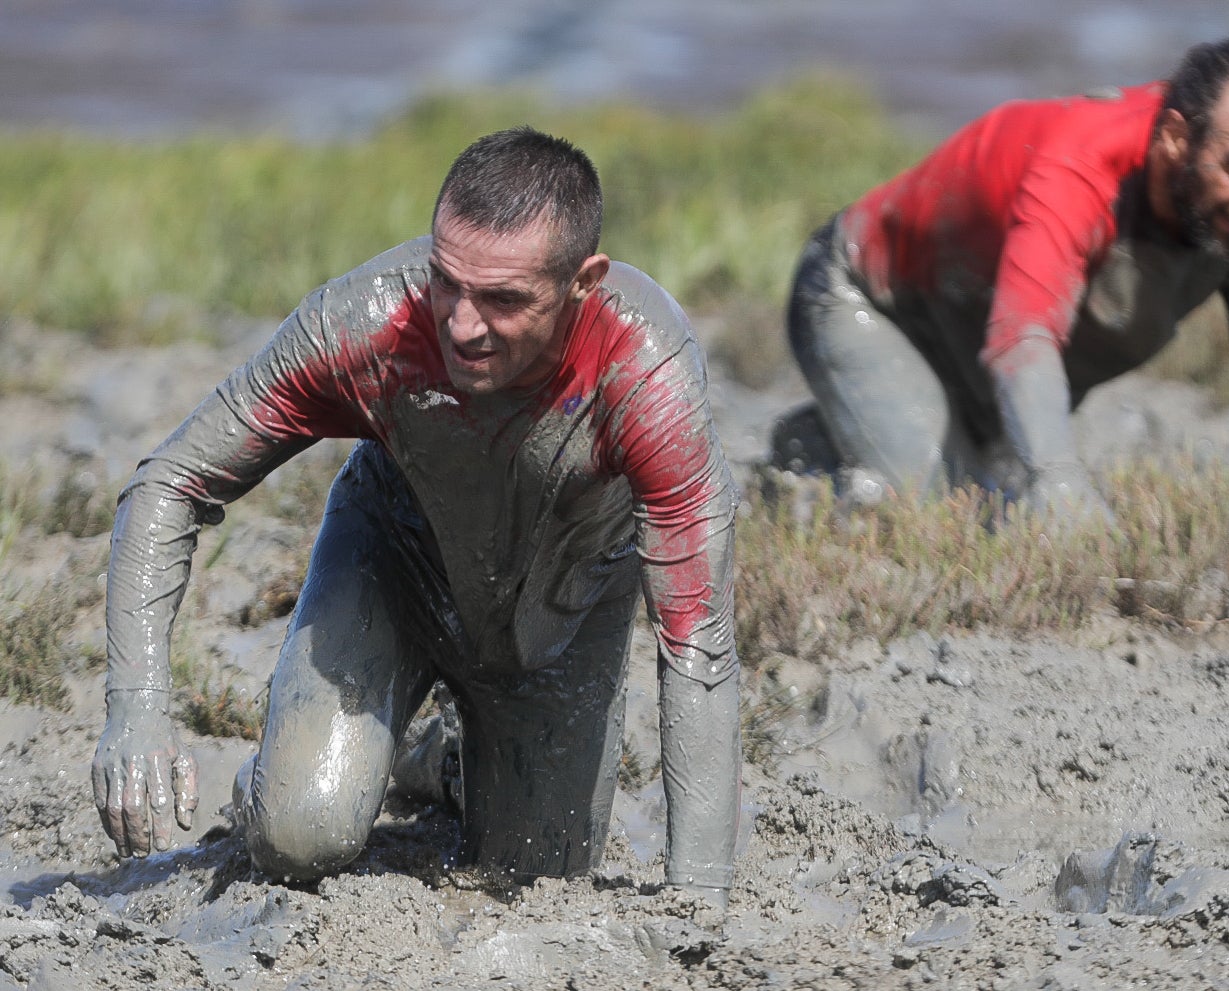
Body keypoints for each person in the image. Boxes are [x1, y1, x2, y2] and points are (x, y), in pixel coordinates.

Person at [90, 127, 741, 909]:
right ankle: (296, 763)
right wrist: (136, 708)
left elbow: (698, 642)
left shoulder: (646, 376)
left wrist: (699, 900)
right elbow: (170, 481)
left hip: (563, 607)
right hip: (395, 560)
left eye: (503, 300)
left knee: (536, 873)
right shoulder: (366, 325)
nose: (462, 325)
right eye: (445, 282)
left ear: (584, 282)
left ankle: (435, 761)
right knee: (303, 832)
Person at [772, 36, 1229, 526]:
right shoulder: (1079, 165)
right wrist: (1063, 487)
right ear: (1177, 138)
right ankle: (815, 449)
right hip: (861, 297)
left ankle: (876, 432)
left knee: (997, 500)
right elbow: (1022, 339)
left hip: (971, 331)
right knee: (952, 516)